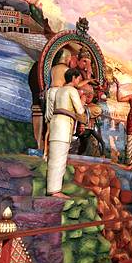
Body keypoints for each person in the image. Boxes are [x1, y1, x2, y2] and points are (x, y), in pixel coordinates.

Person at [46, 68, 87, 198]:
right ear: (74, 78)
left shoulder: (58, 91)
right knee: (59, 160)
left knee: (54, 158)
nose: (79, 81)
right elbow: (79, 110)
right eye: (79, 78)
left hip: (55, 124)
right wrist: (83, 119)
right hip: (63, 127)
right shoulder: (72, 90)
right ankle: (54, 191)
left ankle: (52, 188)